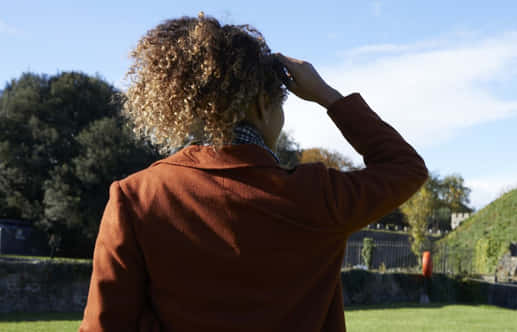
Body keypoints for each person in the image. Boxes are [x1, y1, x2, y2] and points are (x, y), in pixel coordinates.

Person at [79, 14, 428, 332]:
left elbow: (103, 326)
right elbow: (405, 167)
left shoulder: (137, 196)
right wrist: (327, 95)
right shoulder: (317, 196)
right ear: (263, 104)